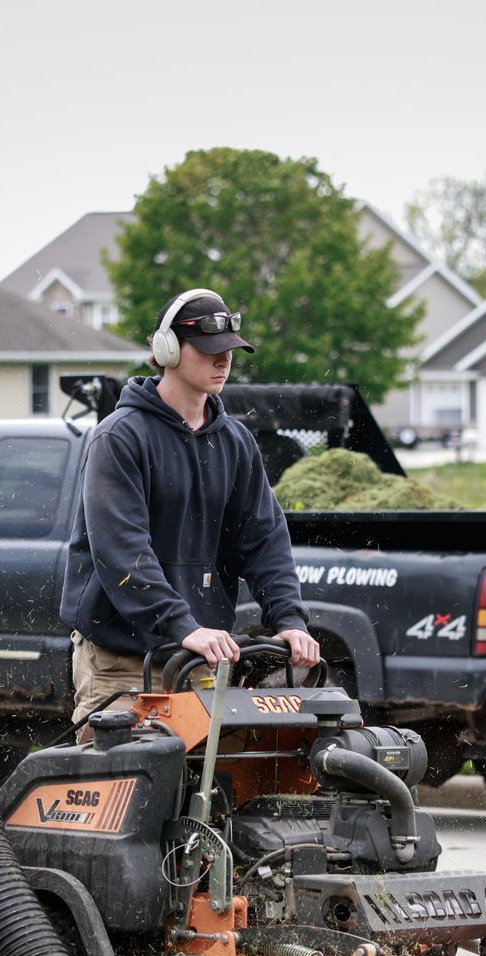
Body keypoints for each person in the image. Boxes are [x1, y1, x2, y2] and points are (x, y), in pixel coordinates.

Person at [59, 288, 322, 727]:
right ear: (167, 350)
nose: (223, 361)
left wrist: (289, 619)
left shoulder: (235, 443)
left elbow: (265, 542)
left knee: (210, 788)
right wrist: (182, 624)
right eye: (208, 350)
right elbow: (124, 552)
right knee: (135, 786)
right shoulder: (120, 438)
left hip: (201, 660)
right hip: (123, 663)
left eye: (229, 352)